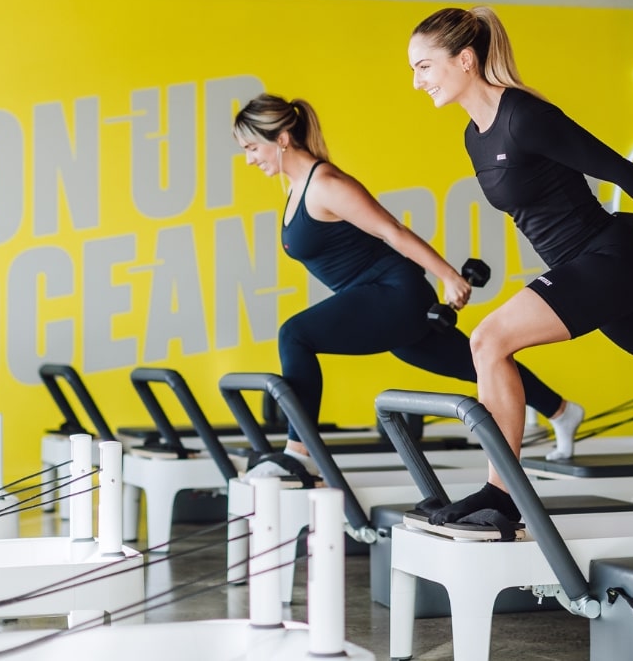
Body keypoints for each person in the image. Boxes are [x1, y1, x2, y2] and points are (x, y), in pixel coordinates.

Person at [407, 8, 633, 530]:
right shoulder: (475, 136)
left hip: (609, 259)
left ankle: (502, 495)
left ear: (465, 60)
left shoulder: (523, 115)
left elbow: (619, 168)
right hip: (588, 270)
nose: (417, 82)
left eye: (425, 67)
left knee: (488, 341)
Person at [232, 93, 584, 476]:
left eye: (253, 147)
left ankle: (300, 454)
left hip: (395, 293)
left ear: (282, 138)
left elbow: (392, 231)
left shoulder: (326, 184)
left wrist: (449, 275)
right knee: (475, 362)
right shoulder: (295, 188)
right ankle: (562, 411)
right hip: (380, 297)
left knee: (295, 335)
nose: (250, 158)